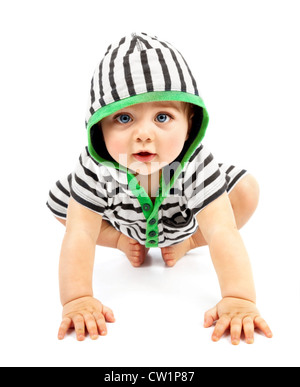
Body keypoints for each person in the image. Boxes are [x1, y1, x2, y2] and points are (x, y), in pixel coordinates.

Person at [47, 32, 272, 344]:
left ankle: (189, 242)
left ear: (190, 123)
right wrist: (77, 299)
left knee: (246, 190)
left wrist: (240, 299)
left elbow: (222, 231)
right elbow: (80, 234)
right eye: (124, 117)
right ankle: (119, 241)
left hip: (186, 224)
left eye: (162, 116)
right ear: (99, 126)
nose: (143, 134)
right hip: (123, 224)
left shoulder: (195, 163)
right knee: (65, 204)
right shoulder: (95, 166)